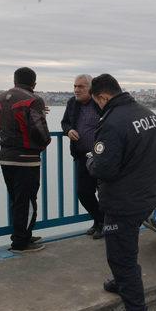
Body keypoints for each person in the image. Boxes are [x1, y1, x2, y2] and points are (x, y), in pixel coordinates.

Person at [86, 74, 156, 311]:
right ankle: (120, 283)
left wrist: (90, 162)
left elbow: (104, 169)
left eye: (97, 102)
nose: (97, 107)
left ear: (103, 97)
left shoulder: (113, 123)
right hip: (146, 195)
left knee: (121, 258)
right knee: (126, 244)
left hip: (124, 201)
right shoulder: (147, 114)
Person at [0, 67, 51, 252]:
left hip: (6, 157)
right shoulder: (34, 100)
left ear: (15, 80)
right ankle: (20, 242)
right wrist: (45, 142)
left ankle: (22, 234)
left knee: (17, 199)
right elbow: (39, 130)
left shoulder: (0, 99)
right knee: (27, 200)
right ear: (34, 82)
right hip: (27, 158)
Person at [61, 74, 104, 239]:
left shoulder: (100, 103)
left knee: (104, 192)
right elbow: (65, 122)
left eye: (81, 87)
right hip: (82, 156)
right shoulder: (72, 103)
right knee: (83, 192)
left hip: (101, 157)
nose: (76, 90)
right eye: (75, 86)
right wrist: (68, 130)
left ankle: (102, 223)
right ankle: (100, 220)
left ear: (90, 88)